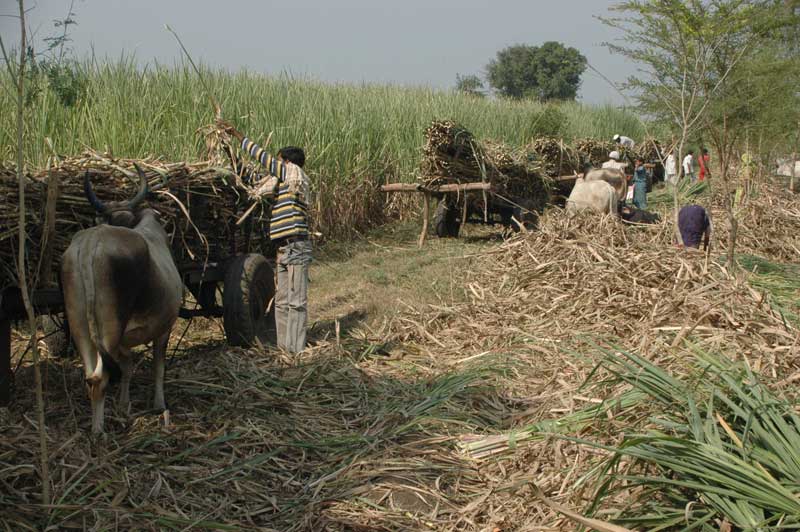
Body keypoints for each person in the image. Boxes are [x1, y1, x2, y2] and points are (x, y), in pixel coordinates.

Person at [216, 119, 312, 354]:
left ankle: (296, 352)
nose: (276, 164)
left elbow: (263, 159)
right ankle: (284, 350)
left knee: (296, 302)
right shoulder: (282, 183)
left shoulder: (294, 173)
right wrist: (233, 156)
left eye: (279, 160)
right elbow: (255, 186)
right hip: (283, 248)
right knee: (281, 302)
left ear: (287, 161)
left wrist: (238, 136)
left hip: (296, 245)